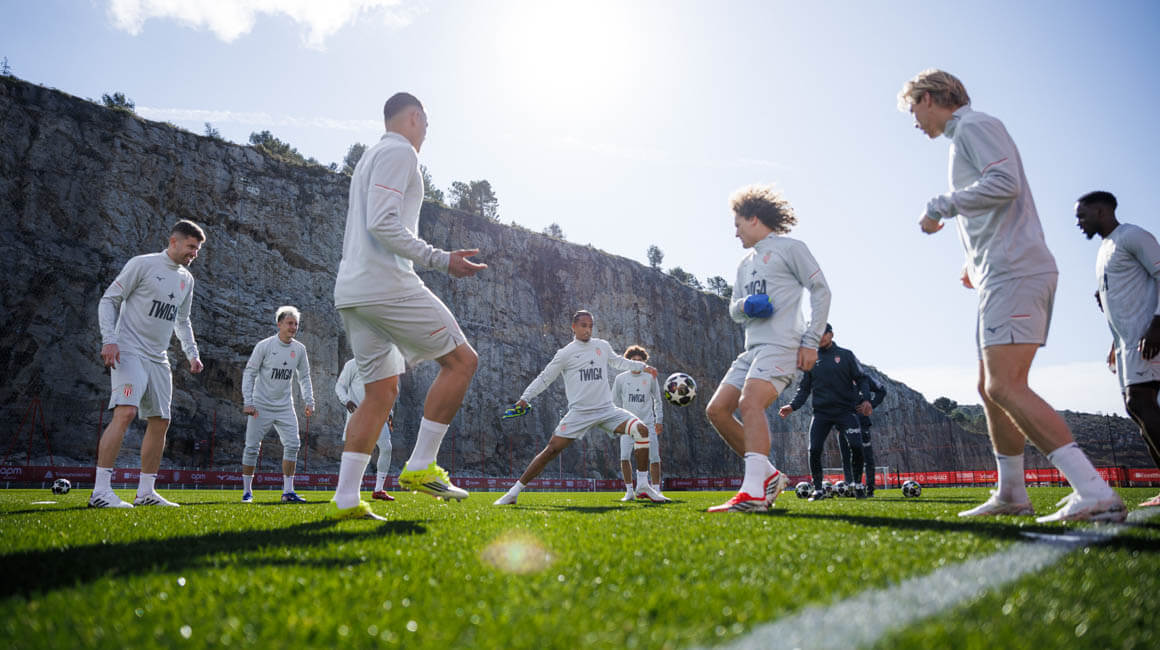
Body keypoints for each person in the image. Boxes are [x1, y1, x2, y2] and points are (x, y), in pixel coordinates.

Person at [899, 69, 1124, 522]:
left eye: (912, 109)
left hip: (1016, 272)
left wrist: (938, 206)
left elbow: (1005, 185)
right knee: (989, 388)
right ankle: (1012, 493)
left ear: (928, 97)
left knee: (1006, 385)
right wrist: (973, 262)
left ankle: (1094, 489)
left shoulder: (974, 126)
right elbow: (997, 202)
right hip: (1000, 274)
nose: (913, 122)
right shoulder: (964, 135)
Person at [331, 92, 487, 520]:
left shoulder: (368, 157)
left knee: (380, 393)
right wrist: (442, 260)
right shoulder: (400, 152)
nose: (426, 132)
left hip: (352, 292)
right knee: (462, 361)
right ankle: (420, 464)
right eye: (427, 123)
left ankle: (346, 498)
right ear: (415, 117)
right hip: (386, 285)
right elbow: (382, 223)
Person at [705, 184, 830, 513]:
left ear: (754, 218)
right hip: (752, 348)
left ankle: (753, 493)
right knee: (717, 410)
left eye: (737, 225)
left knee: (751, 402)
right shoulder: (744, 264)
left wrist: (811, 341)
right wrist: (746, 304)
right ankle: (770, 476)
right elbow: (732, 308)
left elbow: (821, 290)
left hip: (783, 343)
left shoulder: (791, 248)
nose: (735, 233)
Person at [493, 310, 668, 505]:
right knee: (551, 450)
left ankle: (643, 485)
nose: (588, 329)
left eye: (591, 326)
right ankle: (514, 492)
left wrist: (642, 367)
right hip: (580, 413)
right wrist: (525, 397)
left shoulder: (602, 346)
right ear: (573, 327)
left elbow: (618, 361)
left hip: (607, 410)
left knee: (641, 430)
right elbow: (545, 378)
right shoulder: (565, 353)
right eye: (583, 325)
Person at [90, 220, 206, 508]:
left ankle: (145, 493)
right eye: (191, 246)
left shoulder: (186, 280)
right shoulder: (142, 264)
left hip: (159, 357)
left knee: (161, 421)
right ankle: (100, 492)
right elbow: (109, 300)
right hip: (128, 351)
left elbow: (182, 320)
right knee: (126, 412)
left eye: (198, 249)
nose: (195, 253)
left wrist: (192, 353)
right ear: (174, 242)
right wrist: (109, 339)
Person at [1075, 190, 1160, 507]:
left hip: (1149, 336)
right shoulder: (1104, 250)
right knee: (1137, 408)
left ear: (1101, 211)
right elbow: (1121, 302)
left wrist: (1158, 323)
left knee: (1140, 402)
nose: (1078, 222)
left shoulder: (1132, 236)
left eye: (1081, 215)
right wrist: (1114, 341)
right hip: (1128, 342)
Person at [778, 323, 871, 501]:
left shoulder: (846, 355)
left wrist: (866, 399)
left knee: (857, 447)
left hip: (846, 411)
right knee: (814, 450)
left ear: (831, 334)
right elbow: (804, 388)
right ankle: (818, 489)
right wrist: (793, 406)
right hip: (821, 413)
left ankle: (858, 485)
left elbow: (862, 379)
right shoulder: (811, 359)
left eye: (823, 333)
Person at [240, 306, 315, 504]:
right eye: (290, 323)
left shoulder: (299, 349)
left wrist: (309, 400)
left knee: (293, 445)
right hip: (260, 405)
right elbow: (250, 373)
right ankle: (247, 493)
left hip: (284, 406)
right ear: (279, 324)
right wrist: (248, 401)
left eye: (296, 324)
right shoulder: (264, 346)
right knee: (251, 448)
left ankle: (288, 492)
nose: (293, 327)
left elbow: (304, 377)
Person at [336, 356, 398, 501]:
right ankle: (346, 489)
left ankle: (378, 490)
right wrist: (346, 400)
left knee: (386, 448)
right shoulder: (352, 364)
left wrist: (389, 413)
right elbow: (339, 387)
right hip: (358, 415)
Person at [611, 345, 667, 501]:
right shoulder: (620, 378)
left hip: (648, 424)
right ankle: (629, 491)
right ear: (628, 362)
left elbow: (658, 400)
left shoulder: (650, 378)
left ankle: (656, 490)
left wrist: (659, 420)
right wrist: (616, 422)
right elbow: (613, 402)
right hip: (628, 424)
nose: (636, 363)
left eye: (639, 360)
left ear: (644, 363)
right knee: (624, 457)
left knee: (654, 457)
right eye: (633, 360)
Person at [838, 374, 887, 496]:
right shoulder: (838, 377)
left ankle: (870, 490)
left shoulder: (865, 378)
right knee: (846, 458)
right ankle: (851, 488)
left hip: (862, 424)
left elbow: (882, 391)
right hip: (843, 424)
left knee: (867, 458)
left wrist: (871, 405)